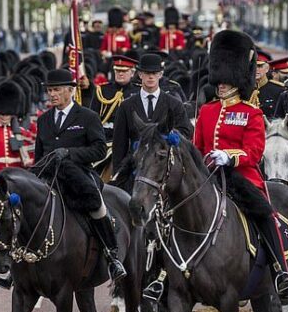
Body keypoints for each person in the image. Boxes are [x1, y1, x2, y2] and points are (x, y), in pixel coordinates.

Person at [194, 30, 288, 303]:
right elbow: (198, 147)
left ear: (238, 81)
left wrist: (229, 156)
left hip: (242, 176)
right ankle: (160, 275)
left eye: (227, 81)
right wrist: (206, 160)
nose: (222, 85)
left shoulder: (252, 113)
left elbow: (254, 152)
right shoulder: (206, 111)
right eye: (220, 81)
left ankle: (280, 270)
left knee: (264, 213)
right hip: (210, 176)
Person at [34, 68, 127, 283]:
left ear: (69, 90)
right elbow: (38, 156)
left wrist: (69, 153)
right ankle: (18, 263)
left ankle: (112, 255)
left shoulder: (87, 117)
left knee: (95, 203)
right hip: (50, 175)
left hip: (80, 174)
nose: (52, 95)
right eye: (49, 91)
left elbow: (99, 150)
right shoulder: (44, 120)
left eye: (56, 90)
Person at [112, 53, 193, 171]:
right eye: (147, 73)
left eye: (154, 73)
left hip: (164, 168)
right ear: (140, 75)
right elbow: (119, 144)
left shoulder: (174, 104)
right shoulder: (126, 106)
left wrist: (171, 136)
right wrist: (118, 173)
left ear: (160, 75)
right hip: (135, 167)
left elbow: (186, 132)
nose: (151, 77)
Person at [252, 48, 284, 118]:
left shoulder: (278, 90)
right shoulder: (244, 89)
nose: (256, 69)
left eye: (260, 66)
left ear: (267, 68)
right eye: (253, 66)